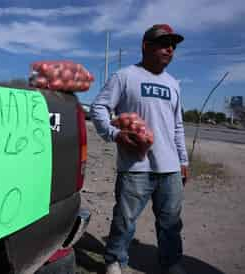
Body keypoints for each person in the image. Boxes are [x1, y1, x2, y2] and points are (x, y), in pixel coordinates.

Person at [90, 24, 189, 274]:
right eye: (164, 43)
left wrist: (183, 161)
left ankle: (171, 263)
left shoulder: (173, 84)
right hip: (135, 167)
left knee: (170, 223)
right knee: (125, 221)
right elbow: (98, 108)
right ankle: (114, 259)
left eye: (173, 45)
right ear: (146, 46)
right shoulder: (125, 76)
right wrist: (114, 134)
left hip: (170, 168)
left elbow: (177, 125)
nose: (170, 49)